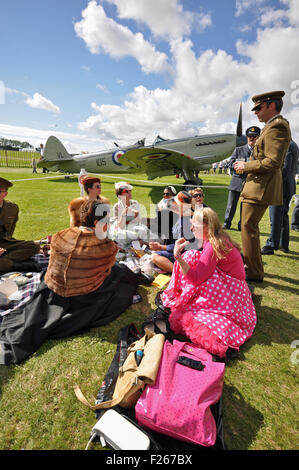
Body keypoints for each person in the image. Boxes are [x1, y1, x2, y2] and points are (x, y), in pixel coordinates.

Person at [0, 200, 152, 365]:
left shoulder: (61, 235)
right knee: (120, 273)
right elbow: (106, 272)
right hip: (82, 296)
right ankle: (138, 276)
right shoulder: (105, 246)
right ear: (96, 222)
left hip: (51, 290)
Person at [161, 207, 257, 358]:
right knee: (192, 256)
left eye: (195, 225)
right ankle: (181, 294)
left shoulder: (213, 245)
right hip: (238, 290)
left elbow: (197, 278)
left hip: (232, 293)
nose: (191, 228)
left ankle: (182, 296)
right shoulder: (217, 238)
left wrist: (178, 256)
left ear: (207, 226)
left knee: (189, 258)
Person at [234, 90, 291, 282]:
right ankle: (252, 268)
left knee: (248, 227)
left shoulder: (278, 127)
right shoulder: (270, 127)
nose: (256, 112)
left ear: (271, 105)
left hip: (261, 187)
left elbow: (273, 161)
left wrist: (245, 166)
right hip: (257, 185)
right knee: (248, 227)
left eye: (259, 108)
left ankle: (253, 271)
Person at [261, 139, 299, 254]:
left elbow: (285, 168)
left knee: (276, 215)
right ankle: (284, 244)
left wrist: (273, 182)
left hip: (281, 185)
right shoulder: (292, 144)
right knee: (282, 216)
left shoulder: (286, 144)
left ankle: (272, 245)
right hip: (287, 184)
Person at [0, 177, 41, 274]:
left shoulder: (12, 208)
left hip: (5, 243)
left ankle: (4, 263)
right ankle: (13, 265)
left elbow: (10, 231)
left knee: (34, 246)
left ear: (5, 194)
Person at [223, 126, 261, 230]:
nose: (251, 138)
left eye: (254, 136)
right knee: (231, 205)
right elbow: (230, 163)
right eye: (249, 136)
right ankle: (227, 223)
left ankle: (242, 225)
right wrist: (237, 164)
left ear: (258, 137)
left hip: (250, 183)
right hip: (237, 180)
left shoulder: (260, 152)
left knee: (245, 207)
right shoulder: (238, 149)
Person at [149, 191, 196, 273]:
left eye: (175, 203)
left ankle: (180, 273)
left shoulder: (186, 222)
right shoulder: (181, 217)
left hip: (185, 255)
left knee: (154, 257)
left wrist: (161, 247)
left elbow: (182, 246)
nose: (173, 204)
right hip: (180, 252)